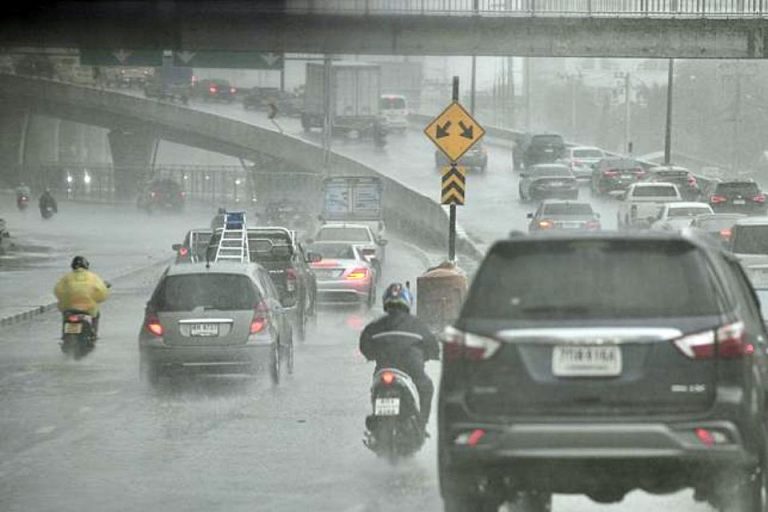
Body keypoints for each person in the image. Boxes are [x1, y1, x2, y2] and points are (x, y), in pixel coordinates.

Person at [359, 283, 440, 428]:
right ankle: (422, 423)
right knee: (426, 387)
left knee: (375, 386)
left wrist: (372, 355)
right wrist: (429, 356)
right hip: (412, 369)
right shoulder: (418, 325)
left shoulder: (375, 326)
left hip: (383, 368)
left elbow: (364, 346)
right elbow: (433, 347)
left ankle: (377, 417)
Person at [54, 256, 110, 337]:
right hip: (88, 307)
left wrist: (63, 300)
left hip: (69, 307)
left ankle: (64, 334)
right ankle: (94, 334)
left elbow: (57, 290)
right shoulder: (93, 277)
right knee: (96, 314)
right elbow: (102, 292)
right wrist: (98, 299)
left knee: (65, 316)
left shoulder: (66, 278)